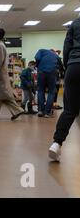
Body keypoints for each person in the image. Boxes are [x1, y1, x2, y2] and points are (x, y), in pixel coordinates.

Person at [49, 18, 80, 161]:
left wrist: (69, 66)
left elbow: (66, 47)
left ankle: (56, 144)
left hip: (74, 67)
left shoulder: (75, 23)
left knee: (69, 110)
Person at [34, 48, 59, 118]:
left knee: (40, 90)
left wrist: (38, 65)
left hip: (41, 72)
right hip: (52, 73)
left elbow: (37, 57)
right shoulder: (55, 55)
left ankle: (40, 111)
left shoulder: (41, 50)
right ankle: (47, 112)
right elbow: (59, 65)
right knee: (51, 92)